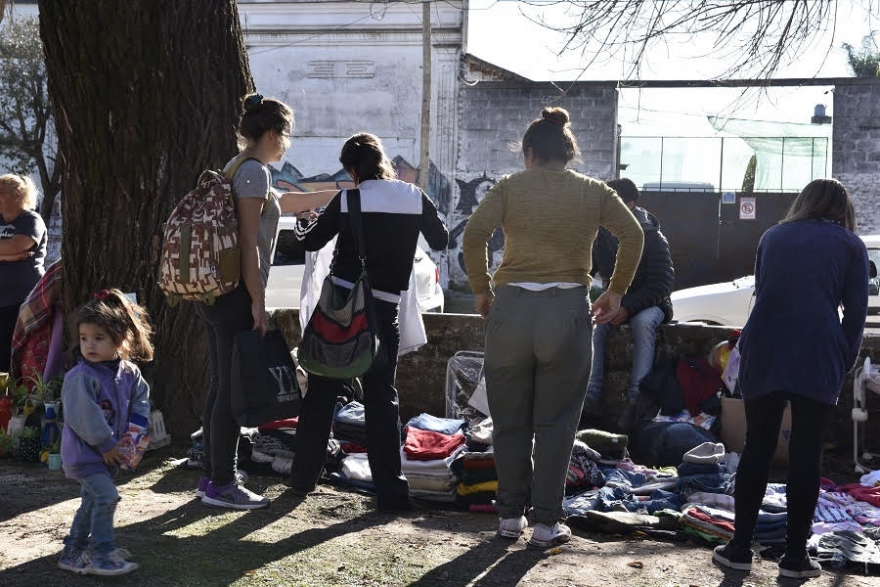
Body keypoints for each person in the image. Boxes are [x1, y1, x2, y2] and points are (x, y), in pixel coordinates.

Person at [462, 107, 644, 548]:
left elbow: (473, 235)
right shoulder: (593, 191)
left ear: (528, 154)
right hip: (566, 310)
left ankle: (508, 516)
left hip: (511, 310)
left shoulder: (508, 187)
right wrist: (616, 291)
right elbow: (634, 235)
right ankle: (545, 523)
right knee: (557, 422)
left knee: (508, 420)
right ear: (569, 154)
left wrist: (482, 290)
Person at [712, 178, 868, 579]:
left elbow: (766, 291)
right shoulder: (851, 246)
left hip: (765, 344)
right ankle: (796, 557)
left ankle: (739, 547)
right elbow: (854, 316)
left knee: (757, 447)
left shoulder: (772, 236)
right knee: (805, 452)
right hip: (817, 350)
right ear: (842, 209)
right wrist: (844, 360)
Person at [289, 132, 448, 512]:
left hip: (342, 311)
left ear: (351, 169)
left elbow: (310, 243)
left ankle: (301, 481)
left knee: (322, 394)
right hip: (385, 313)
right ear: (383, 161)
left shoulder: (347, 200)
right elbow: (440, 239)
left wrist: (302, 224)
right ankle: (391, 493)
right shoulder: (414, 197)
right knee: (382, 400)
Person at [195, 93, 337, 510]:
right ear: (273, 133)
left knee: (222, 383)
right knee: (230, 389)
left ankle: (211, 475)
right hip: (236, 292)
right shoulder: (254, 172)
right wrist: (258, 301)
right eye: (286, 136)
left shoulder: (239, 167)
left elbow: (282, 205)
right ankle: (222, 482)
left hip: (216, 291)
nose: (287, 145)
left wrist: (336, 192)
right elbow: (248, 245)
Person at [58, 288, 154, 576]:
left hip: (110, 455)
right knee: (106, 497)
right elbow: (83, 415)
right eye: (85, 338)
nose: (89, 345)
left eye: (98, 338)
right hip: (85, 455)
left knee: (91, 501)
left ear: (120, 339)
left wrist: (132, 442)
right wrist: (106, 443)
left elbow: (141, 403)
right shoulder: (80, 377)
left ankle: (72, 552)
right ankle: (102, 553)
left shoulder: (129, 372)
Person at [582, 178, 674, 432]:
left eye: (613, 201)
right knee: (594, 324)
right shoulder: (602, 237)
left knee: (644, 324)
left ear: (630, 204)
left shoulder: (653, 237)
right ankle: (590, 397)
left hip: (651, 304)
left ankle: (637, 401)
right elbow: (587, 270)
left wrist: (627, 308)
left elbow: (661, 286)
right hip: (616, 302)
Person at [0, 174, 47, 372]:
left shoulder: (30, 220)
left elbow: (17, 245)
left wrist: (8, 252)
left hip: (22, 301)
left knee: (14, 353)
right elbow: (10, 250)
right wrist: (4, 257)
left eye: (0, 193)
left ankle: (14, 399)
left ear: (17, 195)